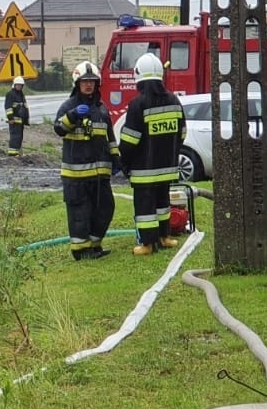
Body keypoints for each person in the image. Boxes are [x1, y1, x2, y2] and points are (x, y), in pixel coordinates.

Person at [116, 52, 186, 255]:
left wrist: (123, 161)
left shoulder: (138, 104)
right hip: (167, 167)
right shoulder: (174, 100)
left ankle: (147, 244)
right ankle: (164, 237)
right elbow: (182, 133)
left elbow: (130, 140)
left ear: (138, 76)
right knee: (163, 203)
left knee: (145, 207)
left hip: (144, 170)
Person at [53, 61, 118, 260]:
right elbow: (59, 129)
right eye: (84, 81)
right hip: (76, 175)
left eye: (92, 81)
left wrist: (116, 157)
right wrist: (72, 116)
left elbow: (110, 136)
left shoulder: (101, 109)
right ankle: (81, 250)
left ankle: (94, 245)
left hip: (99, 175)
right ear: (77, 83)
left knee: (105, 208)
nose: (89, 85)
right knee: (80, 213)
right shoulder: (68, 106)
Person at [3, 75, 30, 156]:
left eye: (20, 85)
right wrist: (10, 118)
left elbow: (24, 107)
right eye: (18, 85)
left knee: (19, 138)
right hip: (14, 121)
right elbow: (8, 107)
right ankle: (12, 154)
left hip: (20, 121)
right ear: (14, 85)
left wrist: (26, 120)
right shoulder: (10, 94)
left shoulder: (21, 95)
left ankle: (17, 153)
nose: (19, 87)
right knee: (14, 137)